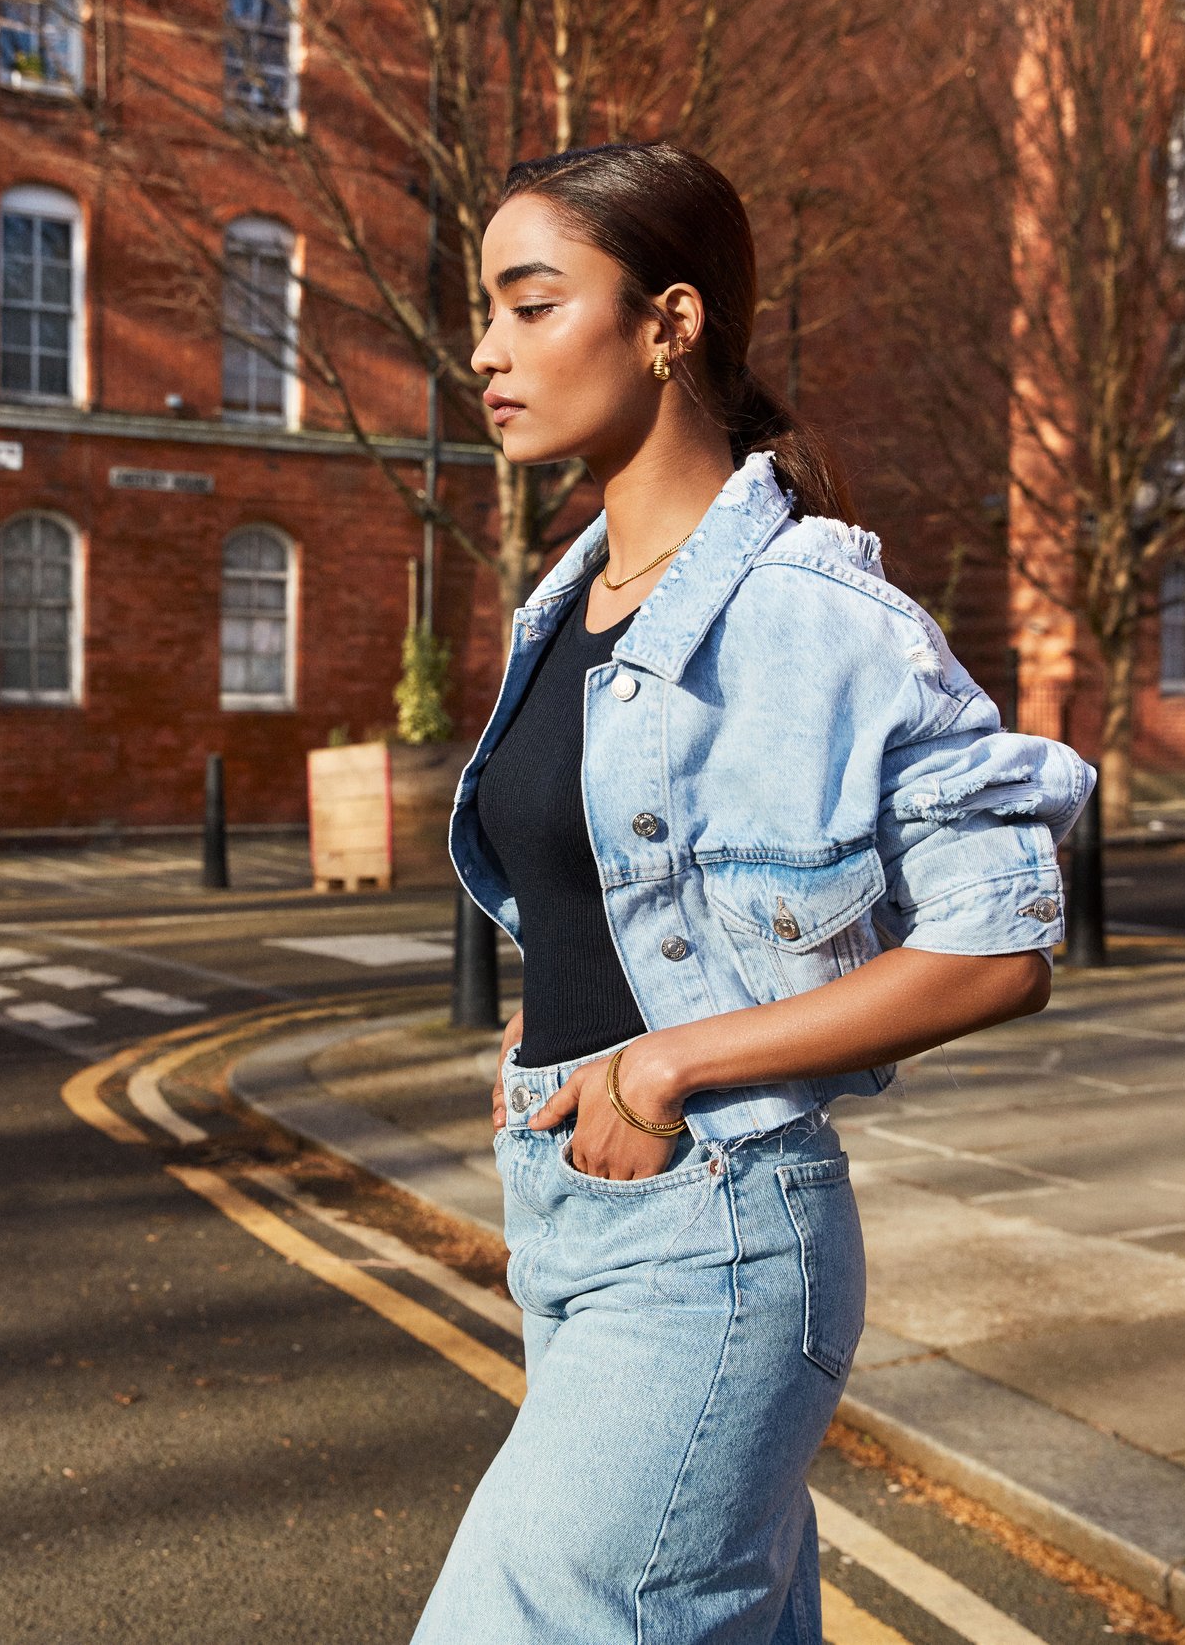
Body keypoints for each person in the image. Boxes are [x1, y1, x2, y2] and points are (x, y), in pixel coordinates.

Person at [416, 141, 1096, 1645]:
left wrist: (669, 1063)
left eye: (532, 306)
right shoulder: (570, 602)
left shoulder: (811, 612)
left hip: (715, 1232)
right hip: (568, 1214)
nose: (486, 349)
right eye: (485, 310)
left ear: (670, 324)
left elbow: (1001, 944)